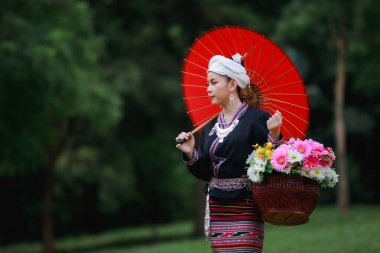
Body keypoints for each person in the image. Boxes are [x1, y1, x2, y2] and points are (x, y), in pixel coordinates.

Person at [176, 53, 283, 253]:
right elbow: (206, 172)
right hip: (217, 209)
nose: (208, 89)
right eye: (207, 83)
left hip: (245, 207)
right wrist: (191, 153)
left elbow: (271, 164)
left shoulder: (257, 119)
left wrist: (274, 135)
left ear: (233, 84)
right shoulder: (209, 127)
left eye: (214, 82)